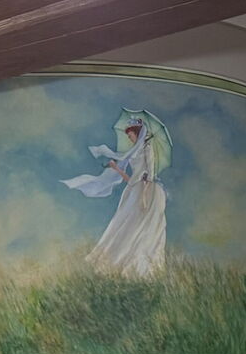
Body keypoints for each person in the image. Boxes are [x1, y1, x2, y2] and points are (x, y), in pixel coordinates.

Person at [62, 119, 167, 278]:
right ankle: (121, 265)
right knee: (124, 226)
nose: (129, 138)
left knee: (142, 229)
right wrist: (116, 168)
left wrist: (145, 196)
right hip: (133, 191)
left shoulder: (148, 149)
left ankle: (143, 269)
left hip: (147, 193)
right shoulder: (134, 151)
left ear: (137, 133)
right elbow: (131, 180)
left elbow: (149, 176)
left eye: (130, 135)